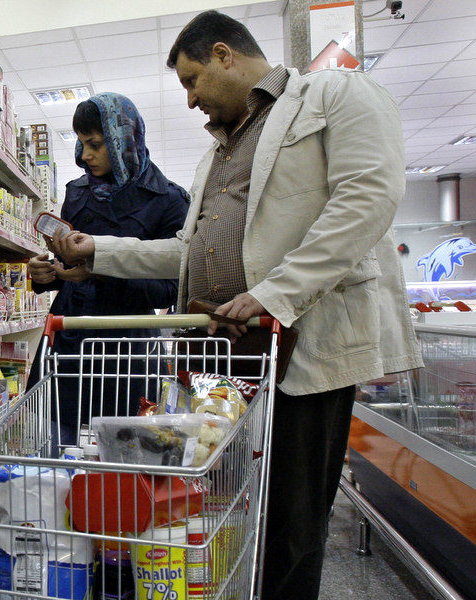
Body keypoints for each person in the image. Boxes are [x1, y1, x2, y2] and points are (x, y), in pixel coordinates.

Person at [49, 11, 422, 600]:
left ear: (225, 54)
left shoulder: (335, 94)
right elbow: (185, 252)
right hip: (229, 364)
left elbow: (367, 197)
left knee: (294, 522)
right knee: (235, 512)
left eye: (193, 80)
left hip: (304, 349)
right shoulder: (216, 157)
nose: (192, 100)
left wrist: (274, 294)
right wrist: (97, 249)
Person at [28, 92, 189, 452]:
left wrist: (100, 272)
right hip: (70, 339)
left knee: (123, 460)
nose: (85, 155)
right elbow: (70, 267)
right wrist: (46, 274)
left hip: (126, 347)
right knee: (54, 451)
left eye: (95, 144)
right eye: (83, 143)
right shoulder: (78, 193)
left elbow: (169, 288)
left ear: (124, 140)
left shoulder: (167, 200)